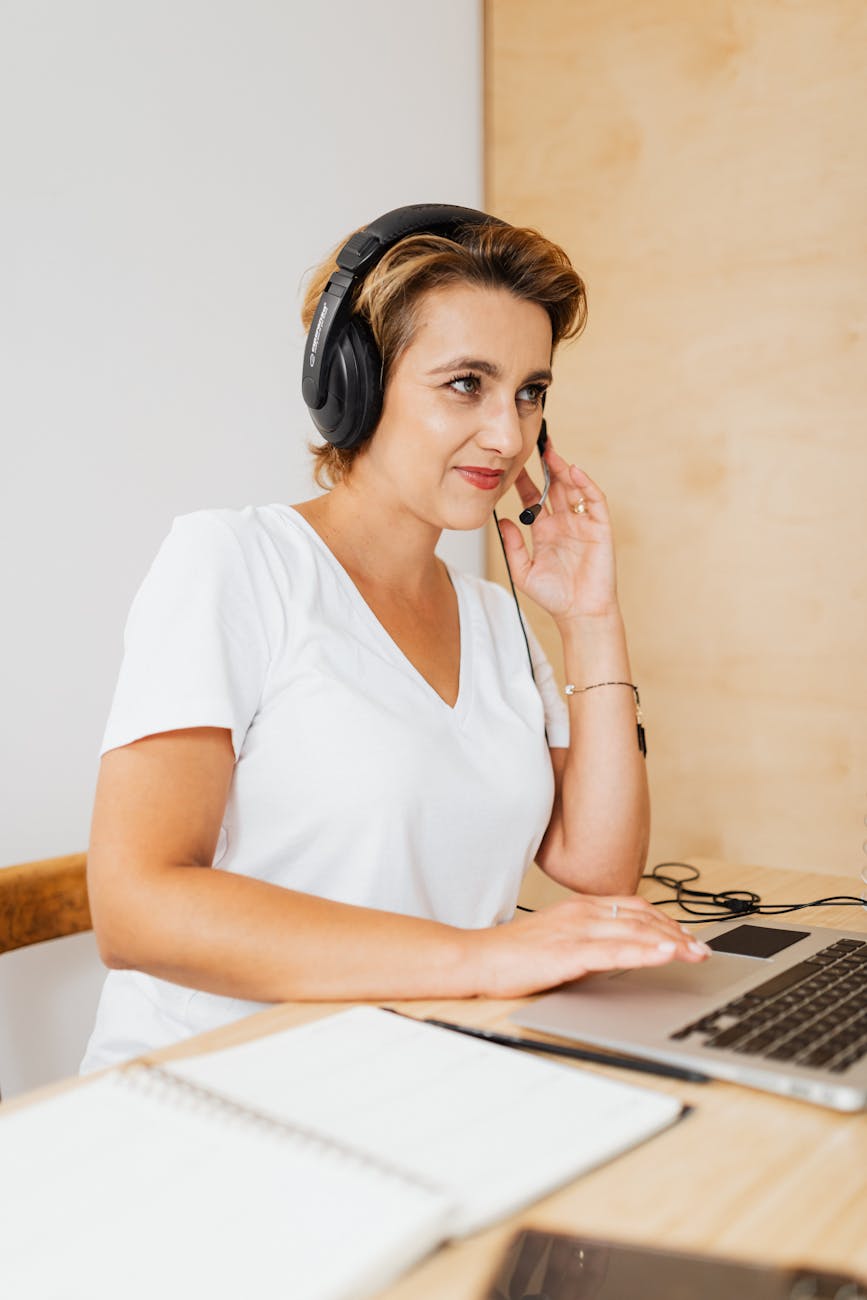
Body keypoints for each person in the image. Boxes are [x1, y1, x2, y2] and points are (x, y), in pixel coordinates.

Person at [82, 204, 709, 1072]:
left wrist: (590, 621)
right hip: (218, 1087)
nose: (507, 433)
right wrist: (484, 961)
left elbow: (598, 868)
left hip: (418, 1066)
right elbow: (137, 908)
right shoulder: (236, 563)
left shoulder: (490, 615)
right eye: (466, 384)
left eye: (530, 392)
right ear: (358, 384)